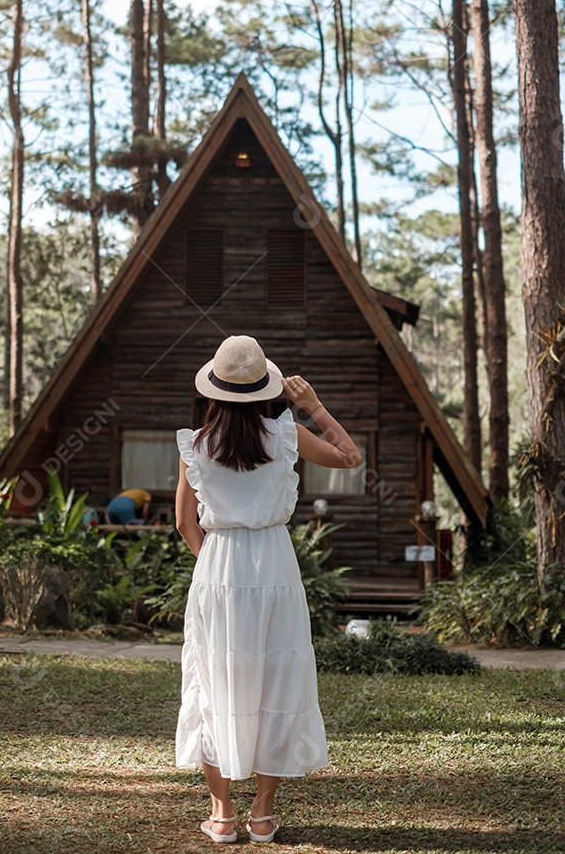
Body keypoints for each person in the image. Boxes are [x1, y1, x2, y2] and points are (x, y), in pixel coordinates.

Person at [174, 335, 363, 844]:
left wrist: (218, 569)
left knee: (213, 682)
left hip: (218, 569)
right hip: (276, 567)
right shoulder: (287, 435)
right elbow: (350, 458)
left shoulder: (195, 443)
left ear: (215, 389)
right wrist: (314, 405)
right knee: (277, 680)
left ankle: (221, 814)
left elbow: (186, 526)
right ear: (267, 389)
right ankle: (261, 814)